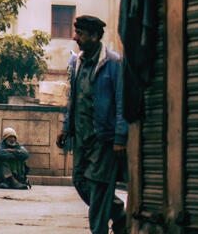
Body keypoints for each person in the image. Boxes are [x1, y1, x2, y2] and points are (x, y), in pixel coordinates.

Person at [56, 14, 127, 234]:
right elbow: (74, 99)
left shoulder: (113, 63)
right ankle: (118, 213)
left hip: (103, 139)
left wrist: (120, 137)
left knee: (98, 188)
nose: (75, 37)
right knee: (80, 181)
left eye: (80, 34)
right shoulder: (77, 62)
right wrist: (66, 127)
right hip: (81, 138)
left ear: (95, 37)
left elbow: (121, 101)